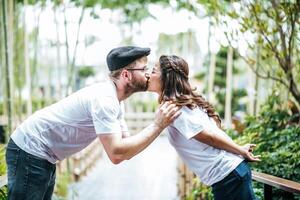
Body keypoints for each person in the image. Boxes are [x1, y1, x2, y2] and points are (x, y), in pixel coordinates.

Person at [5, 46, 181, 200]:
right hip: (29, 150)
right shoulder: (105, 100)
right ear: (126, 75)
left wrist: (157, 125)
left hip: (43, 155)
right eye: (144, 69)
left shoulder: (116, 101)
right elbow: (116, 153)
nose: (149, 73)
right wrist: (157, 126)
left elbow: (126, 148)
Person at [147, 55, 261, 200]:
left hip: (228, 177)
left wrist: (240, 150)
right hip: (229, 175)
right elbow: (213, 131)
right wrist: (238, 149)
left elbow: (210, 137)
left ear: (167, 78)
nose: (148, 75)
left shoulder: (176, 109)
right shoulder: (185, 103)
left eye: (153, 71)